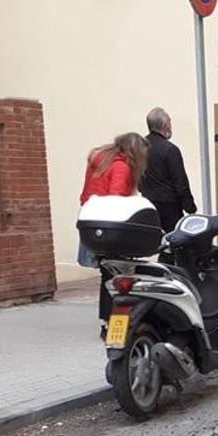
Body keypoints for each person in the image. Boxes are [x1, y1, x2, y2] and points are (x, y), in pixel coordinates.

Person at [78, 132, 150, 332]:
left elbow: (86, 194)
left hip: (92, 222)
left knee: (107, 273)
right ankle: (116, 320)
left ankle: (106, 321)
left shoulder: (101, 161)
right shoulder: (121, 166)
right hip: (112, 226)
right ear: (135, 151)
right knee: (119, 274)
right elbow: (116, 199)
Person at [140, 107, 197, 234]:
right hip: (170, 207)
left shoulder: (139, 148)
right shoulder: (170, 150)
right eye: (170, 123)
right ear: (165, 124)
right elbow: (180, 182)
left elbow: (137, 178)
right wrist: (190, 208)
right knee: (179, 243)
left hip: (149, 205)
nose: (171, 127)